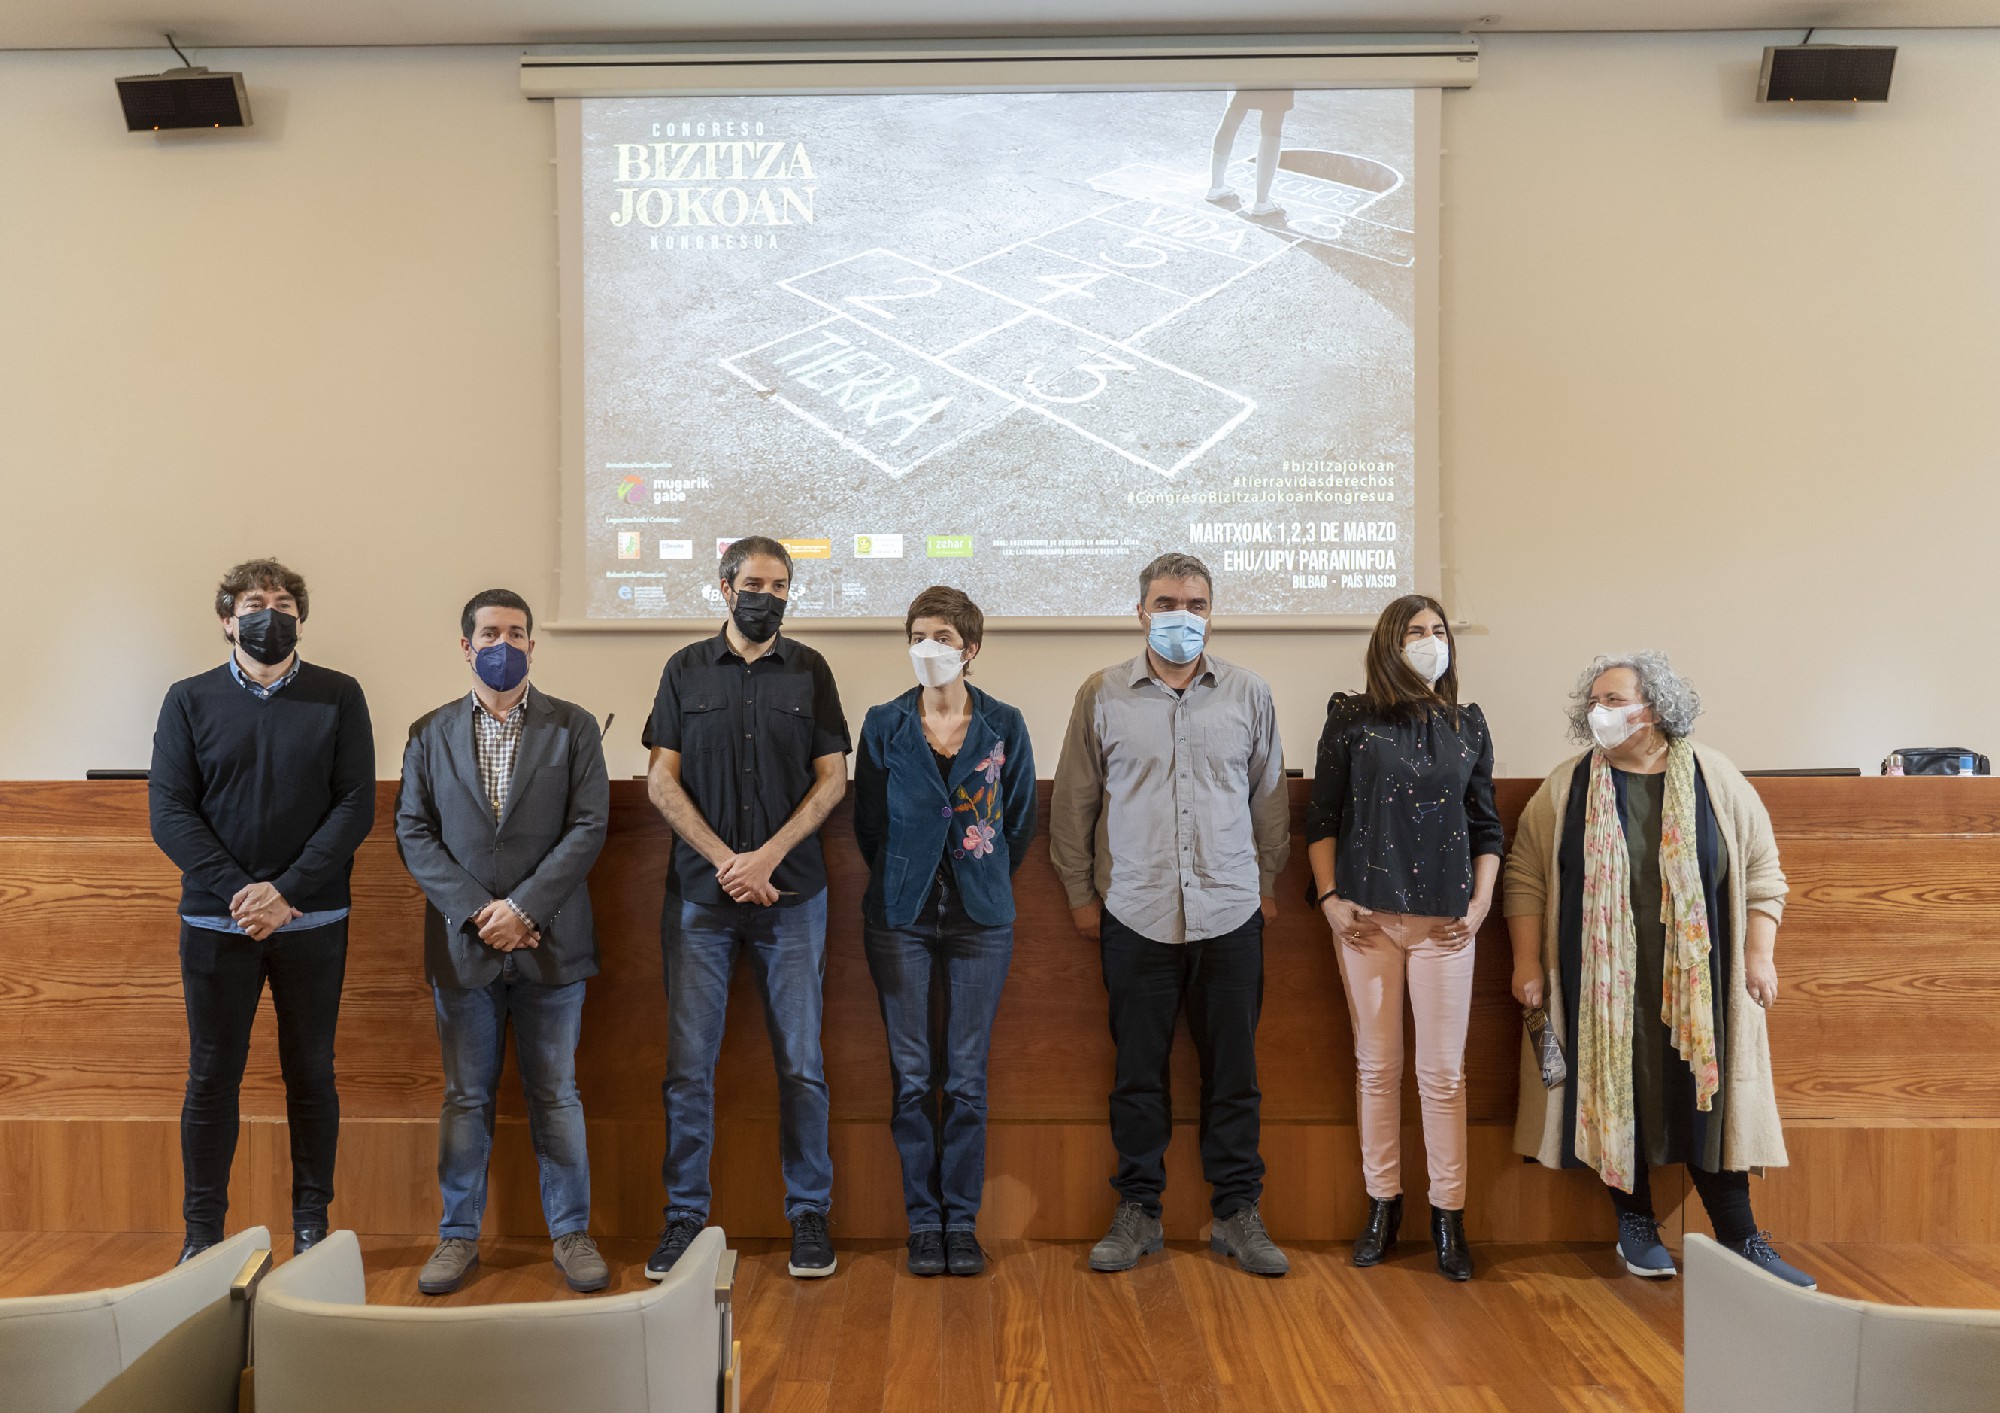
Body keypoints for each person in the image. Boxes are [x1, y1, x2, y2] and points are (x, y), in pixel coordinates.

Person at [1504, 652, 1815, 1288]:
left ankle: (1740, 1236)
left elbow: (1763, 872)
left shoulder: (1715, 777)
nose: (1601, 711)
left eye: (1615, 699)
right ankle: (1635, 1224)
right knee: (1618, 1093)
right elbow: (1525, 875)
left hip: (1699, 988)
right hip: (1599, 987)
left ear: (1656, 707)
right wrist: (1526, 961)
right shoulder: (1568, 785)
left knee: (1708, 1097)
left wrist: (1760, 955)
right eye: (1594, 701)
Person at [1051, 552, 1291, 1278]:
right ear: (1140, 611)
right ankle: (1139, 1212)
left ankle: (1237, 1213)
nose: (1179, 614)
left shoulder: (1250, 694)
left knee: (1235, 1073)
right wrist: (1080, 896)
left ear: (1211, 610)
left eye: (1193, 602)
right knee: (1137, 1074)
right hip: (1135, 912)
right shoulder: (1102, 694)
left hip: (1230, 911)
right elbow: (1074, 805)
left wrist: (1266, 883)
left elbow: (1270, 801)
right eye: (1165, 602)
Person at [148, 558, 374, 1264]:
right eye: (253, 601)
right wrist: (241, 892)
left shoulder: (340, 695)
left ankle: (310, 1224)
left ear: (299, 617)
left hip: (313, 922)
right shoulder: (188, 699)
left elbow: (354, 806)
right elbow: (170, 812)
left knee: (311, 1071)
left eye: (281, 602)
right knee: (212, 1073)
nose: (268, 613)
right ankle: (202, 1236)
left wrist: (288, 891)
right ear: (227, 618)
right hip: (218, 924)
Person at [643, 536, 850, 1281]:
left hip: (793, 898)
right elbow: (661, 782)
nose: (768, 595)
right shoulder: (684, 670)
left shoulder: (811, 671)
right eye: (754, 582)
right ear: (725, 588)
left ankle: (808, 1215)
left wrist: (765, 858)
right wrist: (726, 860)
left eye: (780, 584)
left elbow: (832, 781)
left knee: (802, 1065)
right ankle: (683, 1220)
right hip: (700, 899)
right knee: (689, 1069)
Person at [395, 590, 611, 1296]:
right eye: (491, 632)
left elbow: (587, 827)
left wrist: (522, 908)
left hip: (551, 945)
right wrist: (478, 912)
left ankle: (572, 1233)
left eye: (518, 633)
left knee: (557, 1094)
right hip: (465, 950)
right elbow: (414, 833)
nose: (505, 643)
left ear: (532, 646)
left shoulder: (573, 727)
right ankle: (457, 1236)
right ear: (466, 645)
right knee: (464, 1097)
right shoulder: (428, 732)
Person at [1304, 595, 1502, 1282]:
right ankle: (1383, 1205)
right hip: (1367, 923)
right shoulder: (1352, 719)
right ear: (1389, 641)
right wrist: (1329, 897)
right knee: (1377, 1068)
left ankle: (1449, 1216)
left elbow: (1487, 826)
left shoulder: (1467, 724)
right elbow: (1321, 815)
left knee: (1442, 1076)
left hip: (1448, 925)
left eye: (1438, 629)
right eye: (1415, 630)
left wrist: (1480, 904)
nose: (1429, 640)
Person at [853, 587, 1036, 1277]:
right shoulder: (882, 722)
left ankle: (961, 1221)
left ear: (971, 648)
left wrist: (976, 871)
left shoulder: (1004, 723)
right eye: (919, 634)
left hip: (980, 919)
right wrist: (909, 872)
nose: (929, 647)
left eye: (943, 636)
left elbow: (1018, 822)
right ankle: (921, 1224)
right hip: (897, 917)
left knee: (964, 1078)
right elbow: (869, 823)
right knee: (909, 1077)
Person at [1206, 89, 1294, 217]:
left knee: (1233, 113)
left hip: (1247, 71)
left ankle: (1215, 186)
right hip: (1275, 72)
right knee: (1272, 123)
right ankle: (1262, 201)